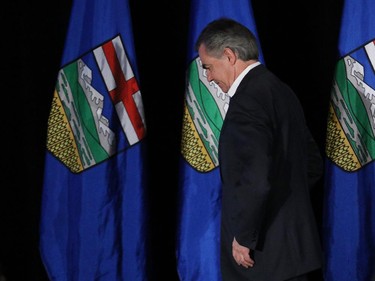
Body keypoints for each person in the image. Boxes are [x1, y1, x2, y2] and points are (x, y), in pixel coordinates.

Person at [195, 18, 324, 281]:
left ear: (229, 56)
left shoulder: (247, 102)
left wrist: (244, 236)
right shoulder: (281, 91)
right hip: (296, 253)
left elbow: (254, 179)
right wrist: (284, 209)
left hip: (263, 261)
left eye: (208, 67)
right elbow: (312, 164)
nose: (208, 77)